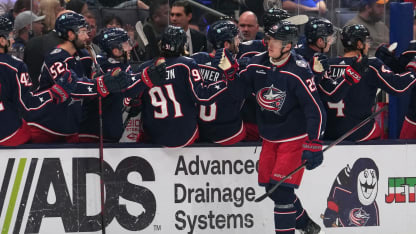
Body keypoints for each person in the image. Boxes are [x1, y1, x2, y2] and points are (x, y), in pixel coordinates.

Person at [239, 20, 326, 233]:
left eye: (276, 41)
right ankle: (304, 222)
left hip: (293, 139)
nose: (270, 44)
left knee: (283, 193)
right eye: (270, 39)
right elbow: (238, 87)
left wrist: (314, 142)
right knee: (271, 188)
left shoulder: (299, 71)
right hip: (269, 137)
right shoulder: (257, 63)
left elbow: (316, 110)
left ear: (288, 46)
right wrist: (230, 71)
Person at [24, 12, 128, 143]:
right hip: (44, 128)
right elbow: (71, 87)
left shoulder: (84, 56)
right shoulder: (55, 57)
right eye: (83, 31)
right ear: (70, 34)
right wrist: (101, 85)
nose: (87, 35)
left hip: (70, 130)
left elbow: (94, 81)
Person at [319, 24, 416, 142]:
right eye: (367, 40)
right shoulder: (370, 65)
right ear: (359, 44)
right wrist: (413, 70)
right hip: (361, 134)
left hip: (329, 134)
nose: (369, 44)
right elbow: (398, 87)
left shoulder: (326, 64)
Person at [137, 25, 228, 147]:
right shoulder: (186, 64)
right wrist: (225, 82)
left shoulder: (144, 68)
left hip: (154, 135)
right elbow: (202, 97)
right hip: (185, 134)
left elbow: (133, 100)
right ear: (182, 45)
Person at [0, 16, 54, 146]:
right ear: (2, 40)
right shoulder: (16, 66)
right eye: (11, 36)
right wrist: (53, 93)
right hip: (8, 133)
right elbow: (26, 104)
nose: (12, 40)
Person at [191, 20, 246, 145]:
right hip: (229, 134)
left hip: (200, 132)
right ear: (226, 44)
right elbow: (240, 94)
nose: (239, 42)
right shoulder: (238, 66)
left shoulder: (195, 60)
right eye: (236, 38)